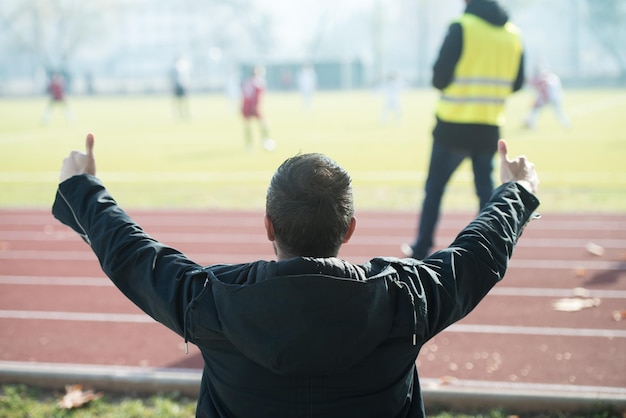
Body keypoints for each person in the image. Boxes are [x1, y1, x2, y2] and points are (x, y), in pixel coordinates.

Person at [53, 132, 539, 418]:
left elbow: (132, 255)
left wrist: (82, 186)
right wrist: (516, 191)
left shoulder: (214, 300)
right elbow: (479, 254)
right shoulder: (405, 298)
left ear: (268, 225)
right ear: (348, 230)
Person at [403, 0, 526, 259]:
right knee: (485, 191)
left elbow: (439, 77)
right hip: (489, 126)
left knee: (435, 189)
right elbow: (516, 83)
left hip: (453, 126)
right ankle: (491, 245)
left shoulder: (462, 26)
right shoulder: (512, 34)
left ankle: (423, 246)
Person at [241, 66, 274, 151]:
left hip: (246, 106)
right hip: (254, 106)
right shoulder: (259, 82)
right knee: (263, 123)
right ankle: (266, 140)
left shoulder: (247, 81)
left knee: (248, 125)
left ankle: (249, 144)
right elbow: (259, 96)